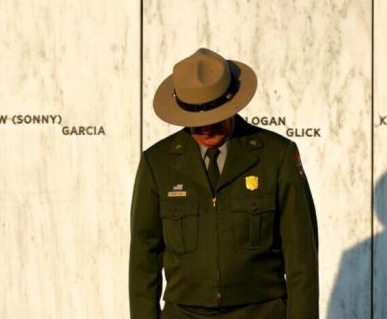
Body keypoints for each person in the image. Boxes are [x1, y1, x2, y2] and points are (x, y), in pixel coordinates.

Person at [129, 47, 319, 319]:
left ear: (232, 105)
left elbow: (302, 258)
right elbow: (143, 260)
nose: (205, 128)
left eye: (213, 119)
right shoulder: (157, 164)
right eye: (195, 121)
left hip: (262, 313)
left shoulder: (276, 156)